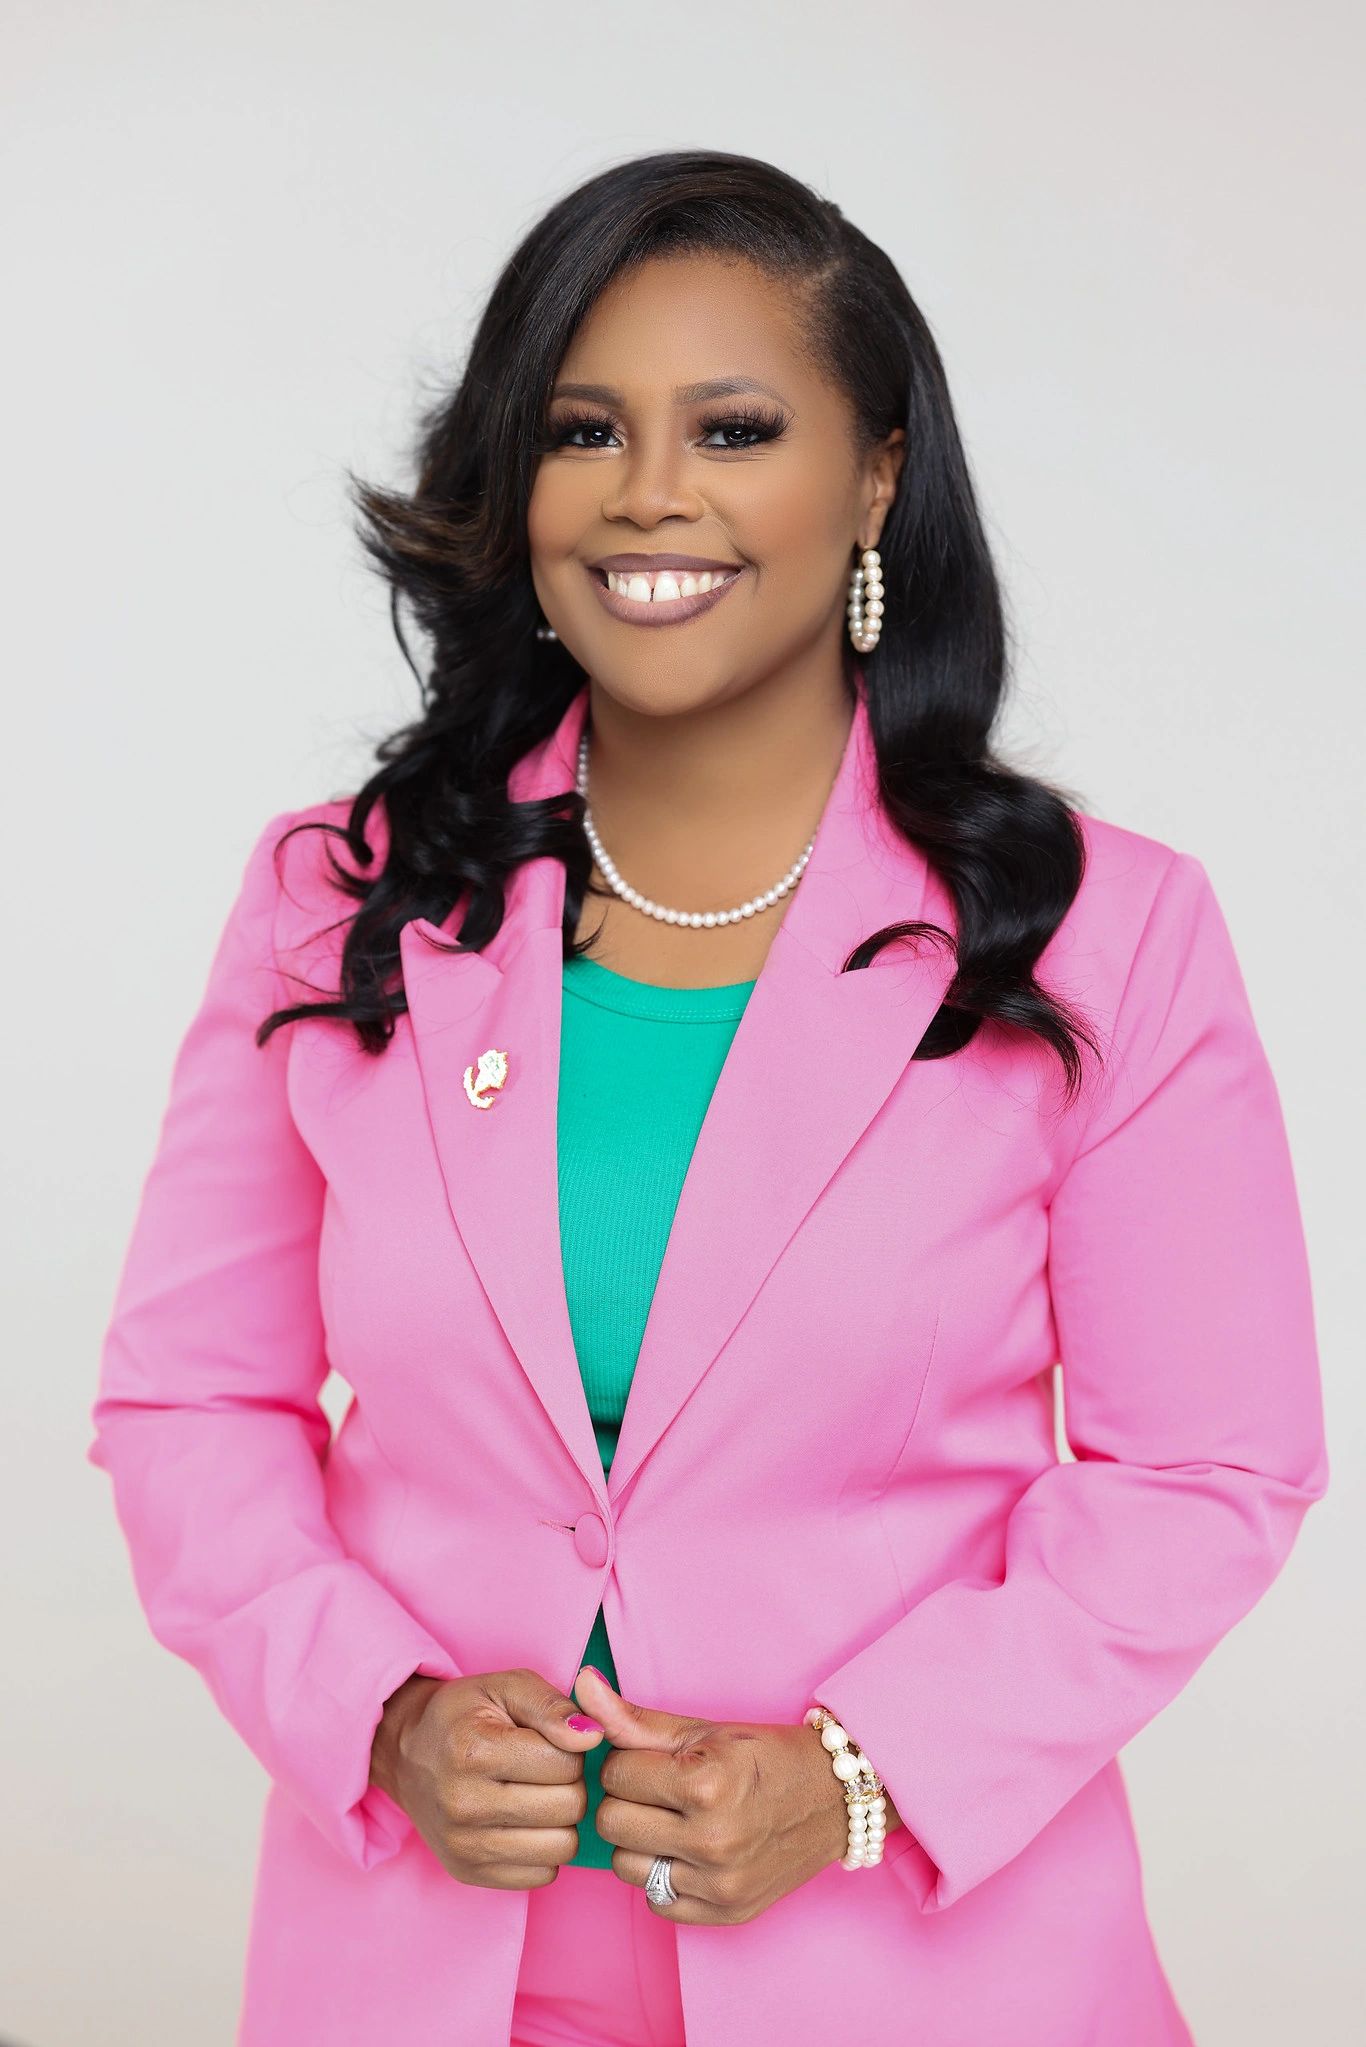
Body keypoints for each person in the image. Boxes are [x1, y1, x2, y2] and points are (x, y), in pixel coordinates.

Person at [87, 149, 1328, 2047]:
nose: (650, 491)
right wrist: (383, 1712)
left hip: (930, 1982)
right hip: (419, 1982)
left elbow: (1205, 1470)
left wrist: (859, 1775)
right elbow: (192, 1401)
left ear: (878, 477)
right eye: (584, 430)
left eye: (733, 426)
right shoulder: (334, 900)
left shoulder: (1101, 935)